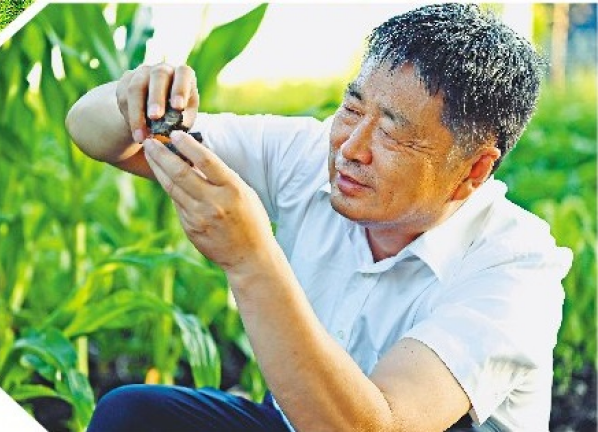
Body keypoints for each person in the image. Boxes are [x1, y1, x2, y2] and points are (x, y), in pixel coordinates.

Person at [66, 3, 573, 431]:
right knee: (133, 415)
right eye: (352, 109)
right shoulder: (306, 157)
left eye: (392, 134)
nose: (351, 149)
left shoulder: (516, 268)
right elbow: (94, 132)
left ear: (474, 169)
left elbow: (379, 426)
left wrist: (250, 259)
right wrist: (133, 99)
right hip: (301, 421)